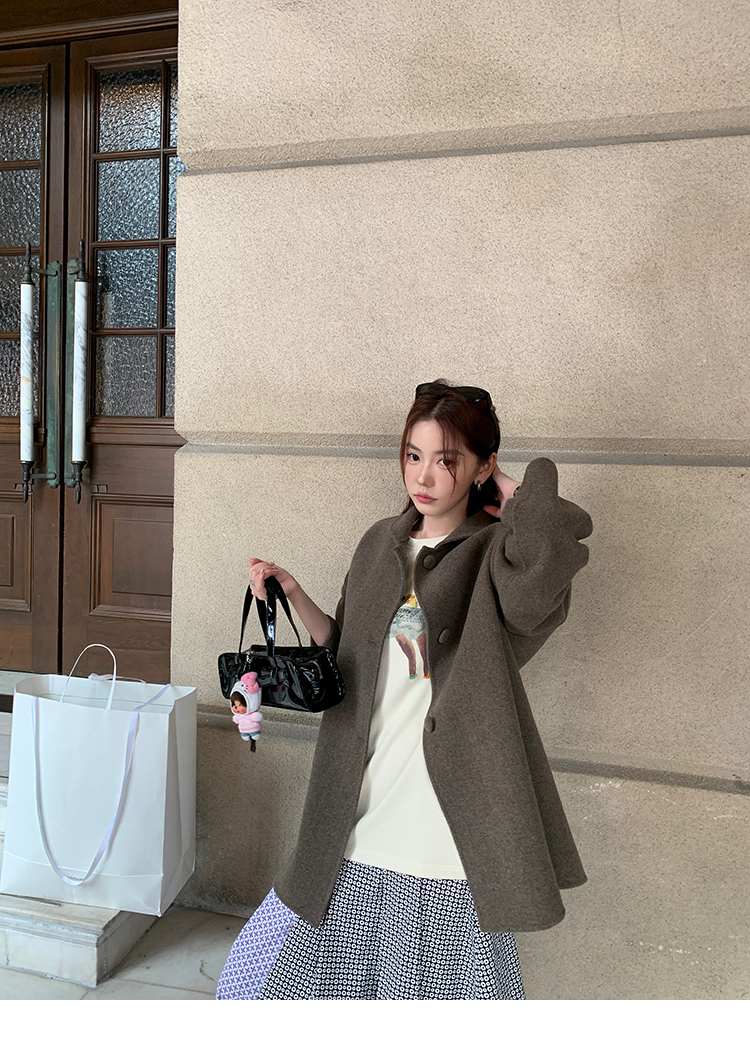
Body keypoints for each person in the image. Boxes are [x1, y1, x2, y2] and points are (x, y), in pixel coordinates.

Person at [216, 380, 594, 1001]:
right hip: (360, 803)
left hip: (442, 818)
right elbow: (347, 654)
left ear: (483, 467)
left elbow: (547, 564)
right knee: (261, 984)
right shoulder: (379, 544)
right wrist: (293, 590)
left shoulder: (496, 554)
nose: (424, 476)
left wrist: (508, 490)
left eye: (447, 461)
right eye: (414, 455)